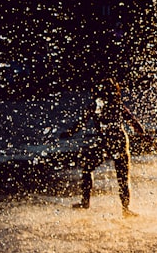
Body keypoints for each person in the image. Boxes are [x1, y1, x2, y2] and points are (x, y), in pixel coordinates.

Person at [60, 78, 145, 217]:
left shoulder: (97, 106)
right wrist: (142, 134)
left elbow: (81, 123)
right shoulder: (116, 106)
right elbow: (134, 124)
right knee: (122, 177)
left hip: (107, 142)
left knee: (88, 168)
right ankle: (125, 209)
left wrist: (69, 133)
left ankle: (85, 201)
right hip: (118, 142)